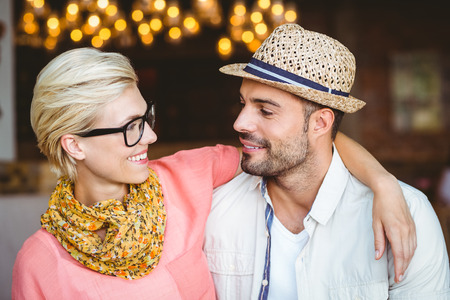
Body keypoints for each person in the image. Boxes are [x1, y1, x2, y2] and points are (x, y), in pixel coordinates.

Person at [13, 47, 413, 299]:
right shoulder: (39, 263)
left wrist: (382, 182)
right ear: (74, 144)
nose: (150, 134)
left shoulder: (187, 177)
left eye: (145, 116)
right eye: (131, 126)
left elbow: (299, 144)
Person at [204, 23, 450, 299]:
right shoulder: (213, 209)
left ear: (321, 123)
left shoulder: (407, 216)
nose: (240, 123)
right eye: (243, 103)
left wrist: (382, 182)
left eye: (265, 111)